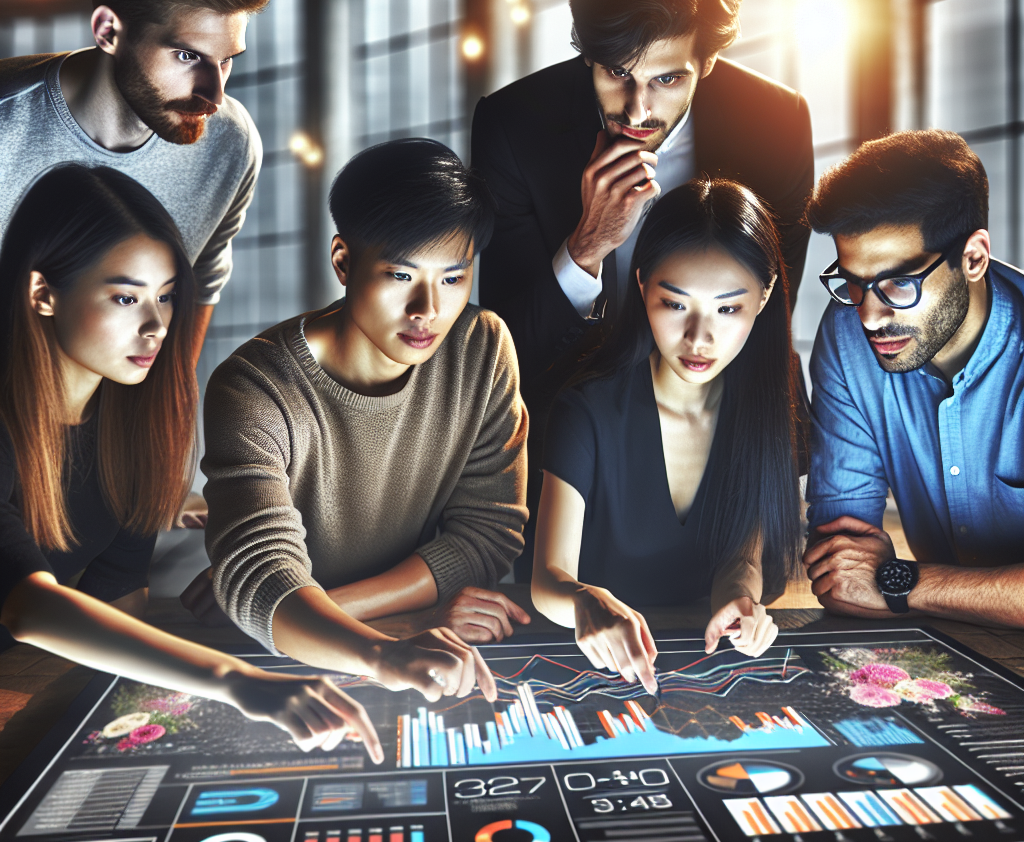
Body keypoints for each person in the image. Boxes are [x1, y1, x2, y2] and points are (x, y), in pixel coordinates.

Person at [0, 164, 385, 761]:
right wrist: (233, 681)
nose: (155, 325)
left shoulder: (127, 430)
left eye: (166, 297)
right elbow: (31, 608)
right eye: (126, 297)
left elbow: (118, 600)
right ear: (42, 293)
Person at [193, 139, 529, 682]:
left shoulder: (481, 348)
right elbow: (263, 572)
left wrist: (310, 608)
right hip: (292, 666)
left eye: (453, 278)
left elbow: (488, 533)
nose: (429, 310)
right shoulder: (254, 386)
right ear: (344, 261)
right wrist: (387, 634)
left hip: (342, 634)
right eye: (401, 276)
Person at [473, 0, 814, 392]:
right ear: (589, 55)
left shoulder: (777, 123)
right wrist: (585, 248)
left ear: (707, 63)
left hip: (736, 407)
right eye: (618, 72)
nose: (637, 108)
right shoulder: (513, 126)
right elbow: (503, 351)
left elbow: (770, 313)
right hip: (571, 413)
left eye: (667, 80)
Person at [531, 179, 803, 692]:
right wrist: (582, 600)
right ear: (641, 287)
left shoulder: (770, 402)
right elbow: (548, 578)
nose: (699, 338)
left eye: (728, 309)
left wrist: (741, 600)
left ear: (764, 297)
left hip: (709, 673)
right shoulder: (588, 409)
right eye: (675, 305)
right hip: (595, 669)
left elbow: (742, 556)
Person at [0, 0, 266, 361]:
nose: (215, 96)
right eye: (188, 56)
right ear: (108, 31)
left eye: (226, 61)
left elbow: (197, 291)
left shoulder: (229, 143)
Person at [803, 130, 1024, 628]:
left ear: (973, 258)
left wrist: (907, 584)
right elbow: (842, 571)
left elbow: (871, 583)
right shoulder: (846, 338)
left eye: (899, 282)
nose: (870, 317)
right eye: (853, 282)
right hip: (950, 643)